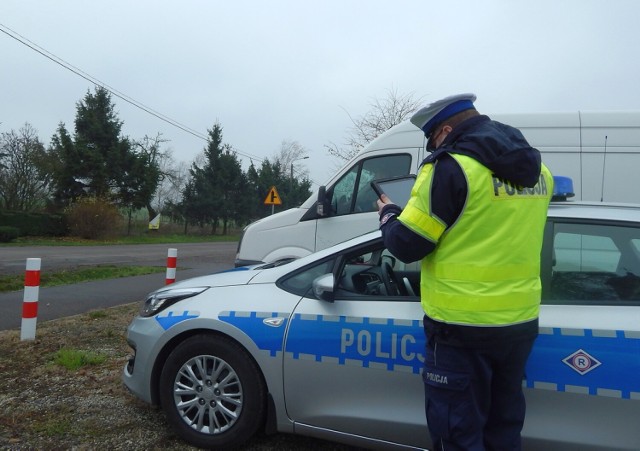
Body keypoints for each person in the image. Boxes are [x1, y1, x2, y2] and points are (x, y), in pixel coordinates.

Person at [377, 93, 553, 450]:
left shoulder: (450, 167)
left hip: (460, 330)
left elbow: (408, 244)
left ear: (444, 130)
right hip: (518, 324)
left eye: (432, 139)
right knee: (503, 432)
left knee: (457, 436)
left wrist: (388, 214)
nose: (434, 146)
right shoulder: (539, 172)